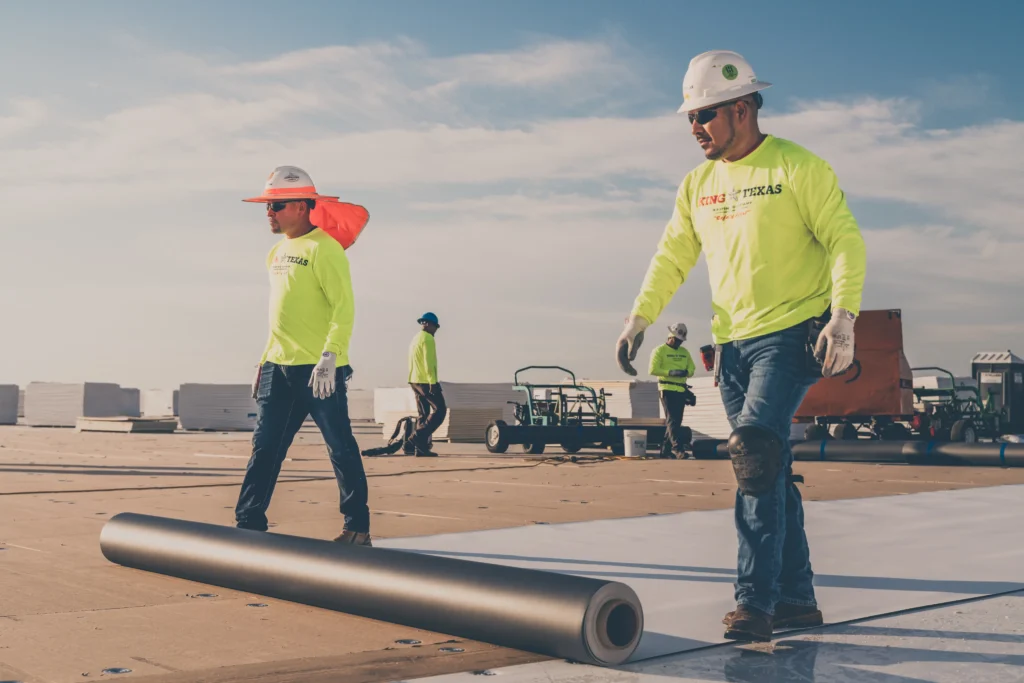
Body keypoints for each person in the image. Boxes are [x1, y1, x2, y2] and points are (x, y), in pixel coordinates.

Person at [615, 50, 866, 641]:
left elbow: (844, 240)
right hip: (730, 346)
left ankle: (755, 604)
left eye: (704, 115)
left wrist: (844, 314)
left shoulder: (798, 167)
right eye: (690, 119)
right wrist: (639, 316)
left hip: (789, 335)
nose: (695, 128)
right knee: (769, 471)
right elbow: (672, 255)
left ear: (743, 107)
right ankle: (799, 599)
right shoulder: (698, 185)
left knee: (752, 454)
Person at [234, 165, 373, 546]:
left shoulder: (325, 249)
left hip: (319, 370)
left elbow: (343, 308)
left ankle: (357, 527)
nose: (268, 213)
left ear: (300, 206)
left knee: (340, 447)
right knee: (265, 449)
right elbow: (281, 316)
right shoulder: (276, 253)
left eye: (275, 206)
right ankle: (248, 524)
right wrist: (263, 361)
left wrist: (332, 354)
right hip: (277, 368)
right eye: (267, 207)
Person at [648, 322, 696, 459]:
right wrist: (670, 372)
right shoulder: (659, 351)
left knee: (675, 420)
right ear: (671, 337)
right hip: (666, 388)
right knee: (673, 420)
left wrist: (686, 372)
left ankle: (665, 450)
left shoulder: (684, 352)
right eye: (678, 340)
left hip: (680, 389)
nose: (679, 343)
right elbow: (652, 370)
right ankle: (678, 448)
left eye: (681, 341)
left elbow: (692, 368)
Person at [407, 312, 446, 457]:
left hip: (414, 379)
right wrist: (432, 382)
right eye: (436, 327)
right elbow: (428, 362)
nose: (436, 330)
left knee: (423, 414)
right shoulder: (428, 338)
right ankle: (416, 437)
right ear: (429, 325)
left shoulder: (415, 338)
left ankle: (421, 449)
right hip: (425, 381)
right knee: (440, 410)